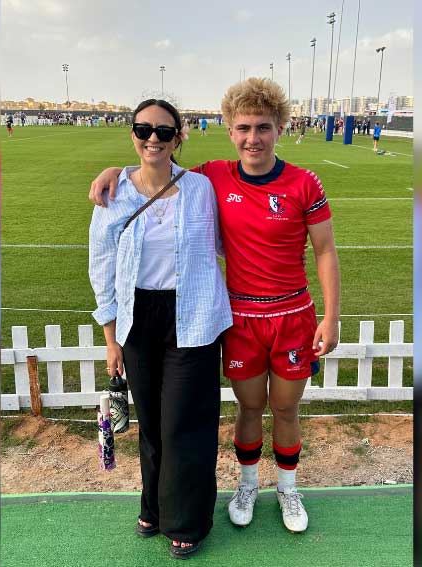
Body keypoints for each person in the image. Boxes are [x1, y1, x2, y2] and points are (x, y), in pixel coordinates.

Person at [88, 78, 340, 534]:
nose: (253, 138)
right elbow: (155, 166)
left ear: (280, 128)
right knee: (247, 408)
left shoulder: (301, 182)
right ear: (229, 130)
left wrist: (332, 316)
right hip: (241, 316)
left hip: (288, 315)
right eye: (243, 128)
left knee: (285, 409)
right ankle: (247, 485)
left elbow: (325, 249)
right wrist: (115, 171)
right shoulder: (213, 177)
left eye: (263, 127)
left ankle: (287, 488)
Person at [88, 99, 232, 560]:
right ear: (132, 133)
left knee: (184, 424)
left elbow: (227, 240)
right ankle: (152, 506)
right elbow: (102, 266)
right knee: (151, 422)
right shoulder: (114, 193)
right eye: (144, 129)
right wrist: (111, 338)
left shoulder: (201, 188)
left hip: (193, 315)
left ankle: (186, 520)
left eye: (164, 131)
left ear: (179, 137)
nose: (153, 138)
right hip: (137, 317)